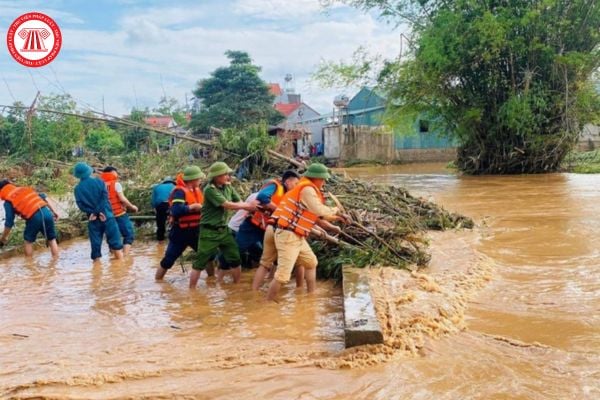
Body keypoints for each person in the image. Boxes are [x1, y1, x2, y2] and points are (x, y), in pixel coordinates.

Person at [266, 163, 348, 301]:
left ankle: (311, 296)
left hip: (295, 235)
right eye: (323, 179)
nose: (324, 182)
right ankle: (267, 305)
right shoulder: (307, 189)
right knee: (283, 276)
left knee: (311, 262)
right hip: (288, 235)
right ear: (316, 178)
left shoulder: (307, 189)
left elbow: (319, 216)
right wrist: (337, 210)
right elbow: (319, 210)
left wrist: (338, 217)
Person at [190, 161, 258, 288]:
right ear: (217, 176)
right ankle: (191, 291)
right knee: (200, 262)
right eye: (225, 174)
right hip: (209, 232)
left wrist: (247, 209)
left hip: (224, 230)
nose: (228, 177)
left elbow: (239, 202)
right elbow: (227, 205)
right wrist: (250, 206)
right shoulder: (209, 190)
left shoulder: (228, 187)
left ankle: (236, 287)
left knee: (236, 259)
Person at [249, 170, 301, 290]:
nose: (296, 186)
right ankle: (270, 293)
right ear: (288, 181)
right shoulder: (276, 186)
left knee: (268, 262)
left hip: (271, 228)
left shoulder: (289, 194)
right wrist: (278, 210)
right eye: (295, 183)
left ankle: (257, 290)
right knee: (269, 263)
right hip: (272, 228)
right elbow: (262, 197)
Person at [155, 166, 204, 280]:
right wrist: (193, 207)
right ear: (193, 179)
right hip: (180, 232)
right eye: (199, 178)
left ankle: (212, 281)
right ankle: (158, 282)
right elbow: (176, 210)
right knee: (168, 260)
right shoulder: (179, 192)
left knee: (208, 256)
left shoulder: (196, 190)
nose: (201, 180)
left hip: (196, 230)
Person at [73, 162, 124, 261]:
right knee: (116, 243)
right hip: (106, 215)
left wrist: (94, 213)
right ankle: (121, 268)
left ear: (78, 175)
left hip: (93, 218)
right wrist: (99, 211)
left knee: (95, 246)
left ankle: (97, 272)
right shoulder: (99, 182)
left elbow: (80, 206)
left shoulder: (77, 189)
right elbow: (104, 198)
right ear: (89, 171)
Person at [0, 179, 60, 257]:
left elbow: (9, 222)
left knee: (28, 242)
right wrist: (54, 212)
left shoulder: (8, 201)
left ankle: (29, 265)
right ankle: (55, 264)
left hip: (34, 218)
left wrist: (4, 238)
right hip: (47, 213)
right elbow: (44, 198)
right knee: (52, 239)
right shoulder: (25, 189)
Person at [99, 166, 138, 256]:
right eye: (116, 172)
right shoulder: (116, 184)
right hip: (119, 214)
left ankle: (114, 259)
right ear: (112, 173)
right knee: (128, 235)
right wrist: (132, 207)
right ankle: (125, 257)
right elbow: (122, 199)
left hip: (107, 216)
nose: (117, 175)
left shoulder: (100, 185)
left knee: (111, 237)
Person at [152, 176, 175, 242]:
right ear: (172, 181)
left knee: (160, 224)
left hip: (160, 205)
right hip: (171, 204)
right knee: (175, 221)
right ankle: (173, 239)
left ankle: (160, 241)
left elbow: (153, 201)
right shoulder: (175, 186)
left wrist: (154, 208)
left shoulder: (157, 187)